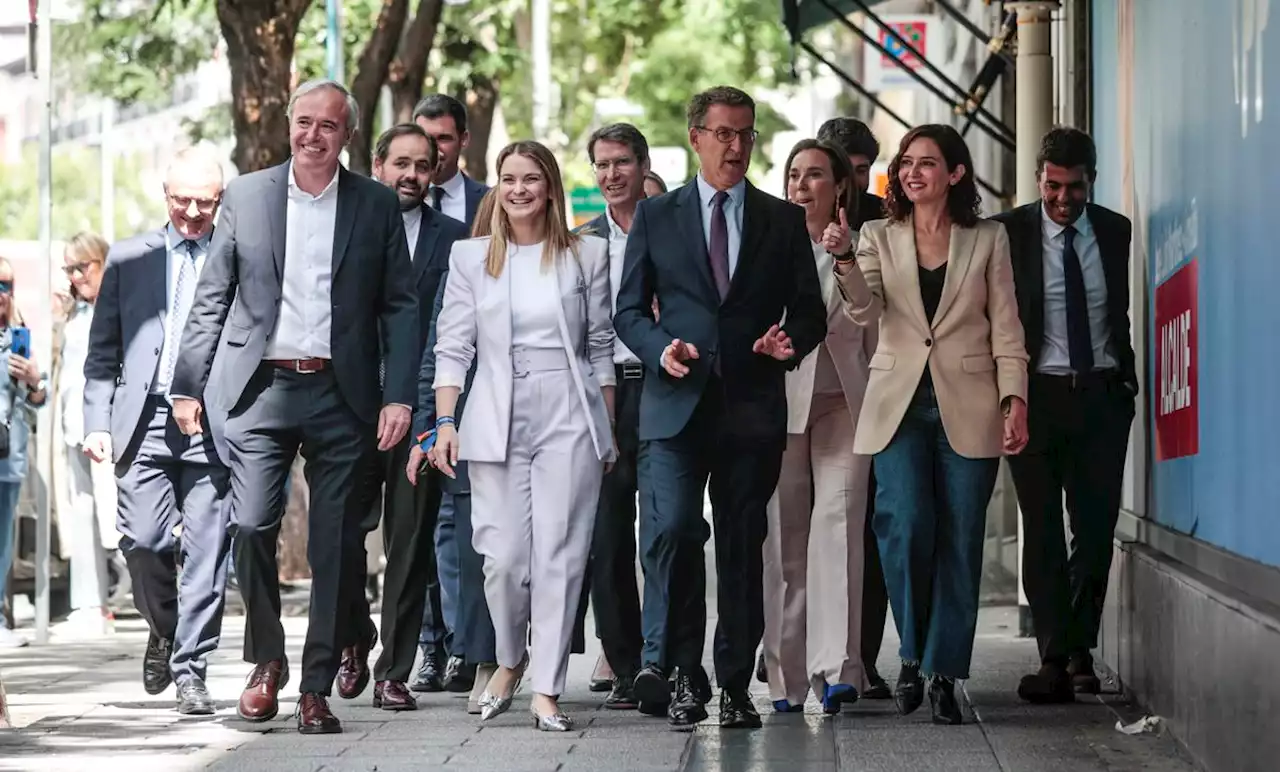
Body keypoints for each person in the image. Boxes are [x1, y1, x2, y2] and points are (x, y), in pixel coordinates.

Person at [169, 79, 418, 735]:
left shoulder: (374, 205)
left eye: (328, 126)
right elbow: (212, 298)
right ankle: (266, 661)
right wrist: (187, 385)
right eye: (303, 122)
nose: (313, 135)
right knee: (250, 526)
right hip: (259, 390)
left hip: (344, 393)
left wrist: (400, 397)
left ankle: (313, 688)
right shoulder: (247, 197)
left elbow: (400, 304)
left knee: (334, 545)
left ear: (347, 135)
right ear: (288, 124)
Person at [614, 85, 827, 729]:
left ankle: (734, 684)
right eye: (723, 134)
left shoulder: (781, 220)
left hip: (751, 407)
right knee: (676, 531)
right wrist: (659, 350)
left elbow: (810, 314)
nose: (736, 147)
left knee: (740, 544)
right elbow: (627, 310)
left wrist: (786, 343)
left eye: (746, 134)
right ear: (696, 138)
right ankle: (685, 675)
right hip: (675, 405)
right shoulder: (657, 216)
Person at [834, 124, 1029, 725]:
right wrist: (842, 256)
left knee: (961, 537)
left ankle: (944, 670)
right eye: (906, 163)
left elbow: (1005, 324)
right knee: (904, 525)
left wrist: (1014, 396)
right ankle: (913, 653)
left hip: (969, 402)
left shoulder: (987, 238)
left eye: (927, 163)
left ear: (956, 174)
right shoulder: (875, 234)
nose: (912, 172)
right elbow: (863, 309)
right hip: (898, 404)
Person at [429, 140, 616, 732]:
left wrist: (605, 429)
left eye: (530, 179)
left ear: (551, 187)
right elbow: (453, 346)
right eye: (508, 179)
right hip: (495, 412)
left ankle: (548, 689)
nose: (518, 190)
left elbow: (603, 348)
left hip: (569, 409)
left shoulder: (587, 255)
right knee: (504, 558)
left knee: (561, 554)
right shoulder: (471, 257)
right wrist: (445, 421)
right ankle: (510, 658)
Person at [83, 147, 232, 714]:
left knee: (207, 550)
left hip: (212, 423)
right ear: (164, 196)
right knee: (144, 543)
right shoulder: (127, 258)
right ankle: (164, 626)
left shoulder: (235, 253)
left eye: (205, 202)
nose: (192, 212)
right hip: (142, 420)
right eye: (182, 200)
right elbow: (102, 353)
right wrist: (97, 422)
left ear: (219, 200)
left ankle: (191, 670)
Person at [992, 127, 1137, 703]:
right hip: (1036, 398)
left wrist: (1124, 384)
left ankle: (1081, 645)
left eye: (1073, 188)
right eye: (1052, 186)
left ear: (1090, 182)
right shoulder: (1008, 233)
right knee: (1044, 530)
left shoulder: (1113, 231)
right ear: (1038, 179)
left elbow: (1116, 313)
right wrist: (1008, 399)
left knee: (1096, 531)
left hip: (1101, 396)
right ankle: (1055, 657)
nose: (1061, 199)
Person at [334, 123, 469, 711]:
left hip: (420, 413)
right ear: (378, 165)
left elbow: (455, 332)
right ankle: (353, 634)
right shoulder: (345, 226)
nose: (412, 174)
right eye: (402, 164)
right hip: (350, 409)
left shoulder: (457, 240)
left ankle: (394, 669)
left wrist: (434, 413)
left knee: (411, 544)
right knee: (339, 539)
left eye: (424, 164)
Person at [760, 139, 875, 715]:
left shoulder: (865, 242)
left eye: (815, 176)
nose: (802, 186)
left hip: (846, 406)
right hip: (781, 405)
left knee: (839, 525)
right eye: (795, 175)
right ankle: (784, 676)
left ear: (839, 188)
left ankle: (837, 668)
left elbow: (868, 313)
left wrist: (846, 257)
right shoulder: (769, 241)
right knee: (785, 537)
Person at [411, 94, 491, 692]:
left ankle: (464, 645)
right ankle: (431, 644)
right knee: (423, 517)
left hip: (470, 377)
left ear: (461, 140)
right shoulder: (392, 206)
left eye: (442, 140)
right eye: (422, 139)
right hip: (411, 378)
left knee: (458, 518)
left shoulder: (489, 202)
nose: (432, 152)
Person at [575, 123, 652, 709]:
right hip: (602, 396)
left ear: (641, 163)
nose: (610, 175)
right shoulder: (580, 244)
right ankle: (624, 662)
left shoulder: (675, 229)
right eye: (601, 164)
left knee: (665, 529)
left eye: (621, 162)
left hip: (664, 389)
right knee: (607, 535)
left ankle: (663, 658)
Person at [814, 115, 891, 699]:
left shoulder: (886, 226)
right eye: (847, 171)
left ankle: (858, 659)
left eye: (863, 171)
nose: (854, 183)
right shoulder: (792, 222)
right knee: (804, 531)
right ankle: (803, 651)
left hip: (868, 397)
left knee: (860, 529)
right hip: (801, 401)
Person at [52, 232, 117, 639]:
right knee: (82, 515)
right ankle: (90, 603)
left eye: (83, 266)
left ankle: (153, 594)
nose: (76, 276)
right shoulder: (74, 315)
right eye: (69, 269)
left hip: (106, 427)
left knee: (117, 518)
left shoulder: (116, 309)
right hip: (73, 425)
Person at [0, 259, 47, 650]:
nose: (2, 293)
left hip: (8, 452)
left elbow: (37, 403)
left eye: (7, 285)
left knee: (3, 541)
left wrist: (34, 381)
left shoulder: (18, 336)